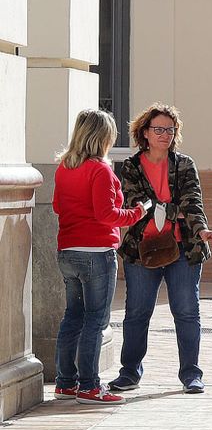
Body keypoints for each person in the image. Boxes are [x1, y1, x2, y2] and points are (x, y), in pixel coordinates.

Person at [112, 104, 212, 395]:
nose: (165, 135)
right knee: (136, 312)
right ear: (145, 133)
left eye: (170, 130)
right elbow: (137, 205)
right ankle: (129, 373)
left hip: (184, 249)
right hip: (142, 250)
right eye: (158, 129)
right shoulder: (132, 166)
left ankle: (191, 374)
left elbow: (193, 203)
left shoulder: (185, 164)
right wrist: (175, 211)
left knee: (187, 312)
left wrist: (201, 229)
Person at [52, 109, 144, 405]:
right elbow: (108, 216)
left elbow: (56, 206)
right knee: (96, 320)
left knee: (72, 317)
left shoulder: (65, 167)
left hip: (68, 251)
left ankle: (65, 383)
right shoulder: (100, 170)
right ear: (104, 137)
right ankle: (89, 386)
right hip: (97, 252)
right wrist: (138, 212)